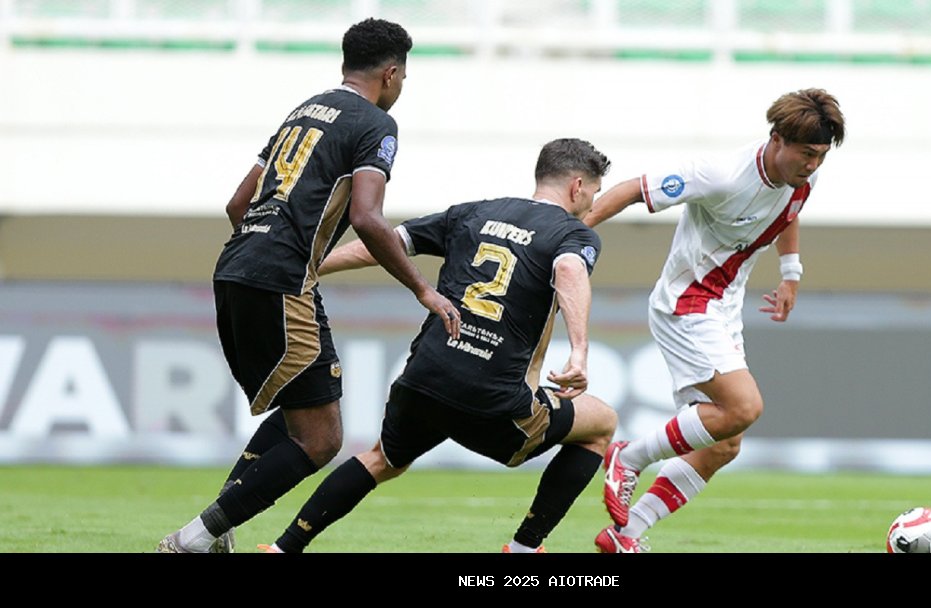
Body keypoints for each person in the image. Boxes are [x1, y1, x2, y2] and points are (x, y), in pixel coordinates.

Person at [156, 18, 460, 553]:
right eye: (404, 78)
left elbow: (237, 204)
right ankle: (191, 541)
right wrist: (423, 289)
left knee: (302, 408)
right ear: (391, 74)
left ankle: (216, 532)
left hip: (234, 269)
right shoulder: (375, 124)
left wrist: (266, 250)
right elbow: (367, 218)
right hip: (282, 280)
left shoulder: (302, 112)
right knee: (322, 438)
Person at [255, 137, 618, 554]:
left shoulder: (473, 212)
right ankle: (523, 549)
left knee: (382, 459)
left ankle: (284, 548)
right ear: (577, 186)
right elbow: (569, 269)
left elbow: (384, 241)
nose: (593, 202)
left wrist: (308, 267)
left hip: (424, 379)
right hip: (494, 402)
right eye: (594, 192)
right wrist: (579, 352)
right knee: (602, 424)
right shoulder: (573, 234)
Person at [585, 88, 845, 553]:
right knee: (743, 407)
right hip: (686, 304)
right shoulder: (720, 174)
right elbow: (630, 190)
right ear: (777, 139)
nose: (813, 164)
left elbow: (790, 209)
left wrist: (790, 273)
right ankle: (629, 457)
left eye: (822, 155)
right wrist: (565, 238)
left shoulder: (801, 176)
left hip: (724, 308)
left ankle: (625, 536)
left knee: (725, 443)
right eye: (807, 153)